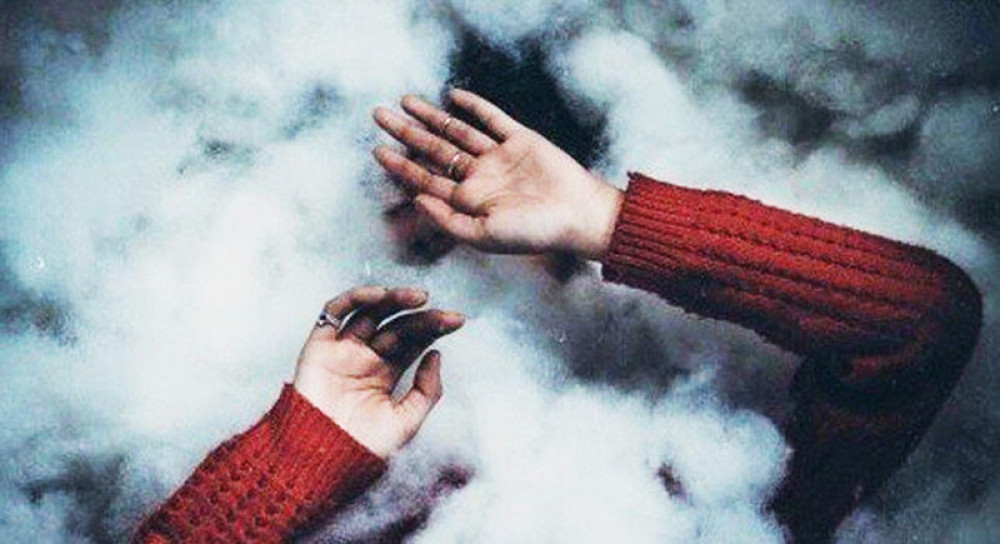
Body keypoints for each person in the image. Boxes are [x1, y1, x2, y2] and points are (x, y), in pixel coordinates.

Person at [135, 90, 982, 543]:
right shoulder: (346, 509)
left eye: (491, 235)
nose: (454, 296)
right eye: (420, 249)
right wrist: (290, 469)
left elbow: (921, 322)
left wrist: (609, 219)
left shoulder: (704, 487)